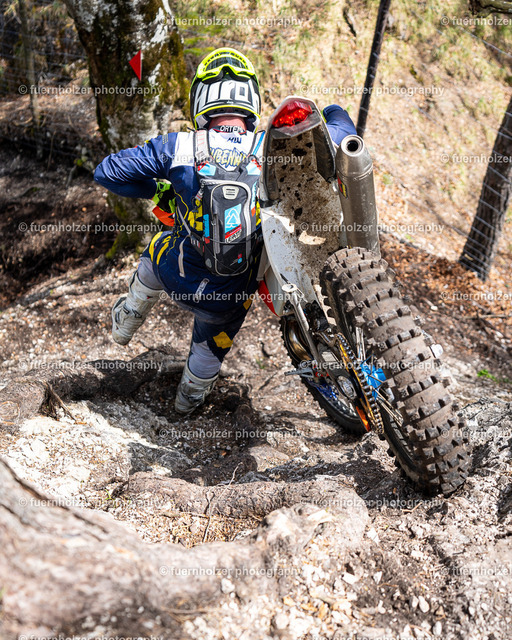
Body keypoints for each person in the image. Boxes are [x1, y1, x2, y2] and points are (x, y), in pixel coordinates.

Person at [94, 47, 357, 415]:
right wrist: (334, 112)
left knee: (159, 246)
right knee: (212, 342)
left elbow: (106, 172)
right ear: (251, 99)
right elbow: (342, 135)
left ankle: (128, 319)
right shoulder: (271, 148)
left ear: (200, 100)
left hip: (180, 277)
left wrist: (156, 189)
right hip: (230, 298)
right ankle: (186, 405)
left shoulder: (179, 146)